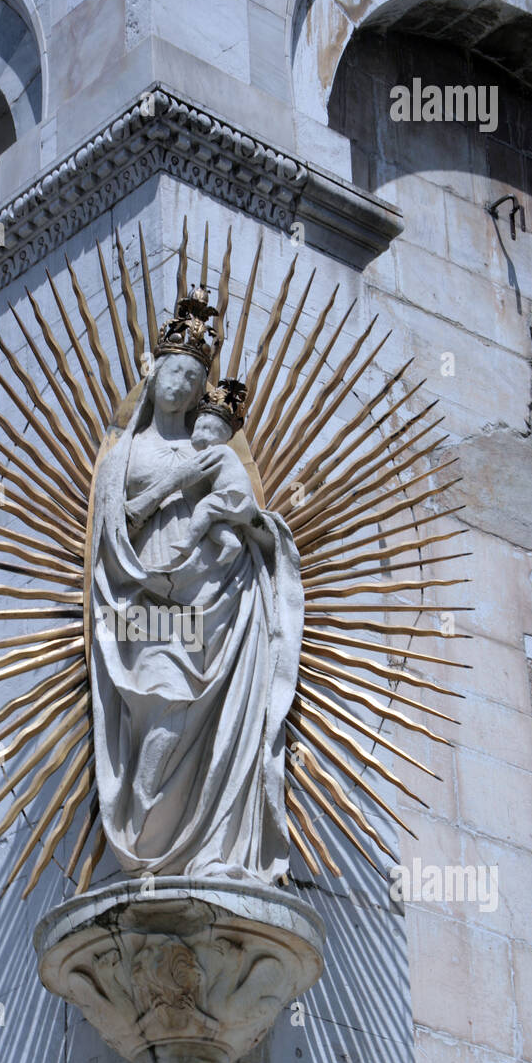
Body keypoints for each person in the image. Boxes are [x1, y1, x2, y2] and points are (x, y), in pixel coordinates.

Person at [88, 287, 304, 885]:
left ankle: (203, 843)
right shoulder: (125, 454)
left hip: (210, 600)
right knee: (164, 697)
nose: (180, 383)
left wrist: (243, 530)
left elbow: (249, 520)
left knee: (187, 707)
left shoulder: (210, 451)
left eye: (192, 374)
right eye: (173, 369)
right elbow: (107, 540)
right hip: (141, 603)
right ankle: (144, 833)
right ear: (153, 373)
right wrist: (145, 576)